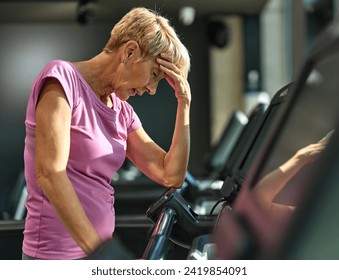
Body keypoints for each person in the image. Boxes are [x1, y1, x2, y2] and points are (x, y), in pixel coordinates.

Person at [22, 7, 191, 260]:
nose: (152, 89)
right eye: (154, 75)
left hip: (94, 256)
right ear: (130, 51)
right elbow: (50, 174)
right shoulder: (61, 80)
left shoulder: (122, 112)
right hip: (54, 258)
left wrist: (184, 102)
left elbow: (171, 175)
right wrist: (102, 253)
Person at [252, 130, 333, 220]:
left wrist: (302, 158)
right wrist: (301, 157)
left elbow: (257, 205)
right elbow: (257, 205)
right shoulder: (322, 216)